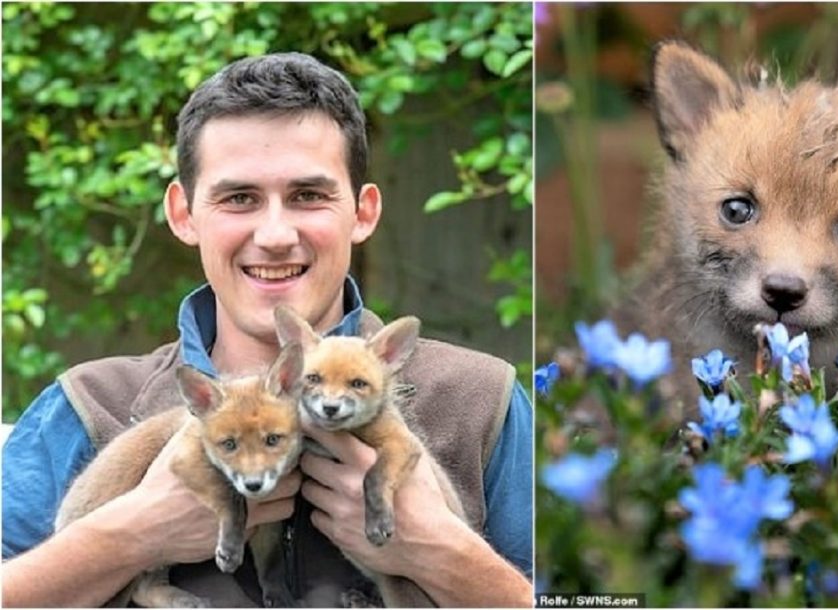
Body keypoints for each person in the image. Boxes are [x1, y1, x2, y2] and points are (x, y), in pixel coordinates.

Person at [2, 52, 533, 608]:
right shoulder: (88, 406)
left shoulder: (480, 403)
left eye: (308, 196)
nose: (276, 234)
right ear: (184, 214)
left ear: (363, 211)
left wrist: (440, 550)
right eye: (239, 198)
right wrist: (129, 537)